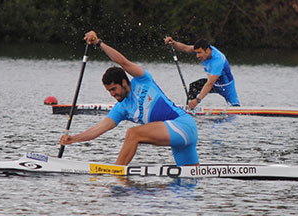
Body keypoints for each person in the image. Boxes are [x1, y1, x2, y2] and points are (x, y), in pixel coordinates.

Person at [59, 31, 199, 166]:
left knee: (133, 134)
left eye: (114, 89)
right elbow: (98, 129)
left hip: (183, 124)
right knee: (187, 182)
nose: (112, 94)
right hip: (177, 137)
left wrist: (99, 43)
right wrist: (73, 139)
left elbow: (123, 63)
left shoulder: (142, 80)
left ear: (124, 82)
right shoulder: (121, 109)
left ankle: (116, 174)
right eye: (109, 91)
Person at [164, 37, 240, 109]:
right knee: (194, 86)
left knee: (236, 108)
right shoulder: (204, 49)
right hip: (213, 83)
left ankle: (194, 104)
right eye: (196, 53)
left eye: (199, 53)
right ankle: (190, 109)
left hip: (226, 87)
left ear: (207, 50)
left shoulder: (218, 60)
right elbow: (186, 48)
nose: (197, 56)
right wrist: (173, 43)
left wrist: (198, 100)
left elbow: (210, 83)